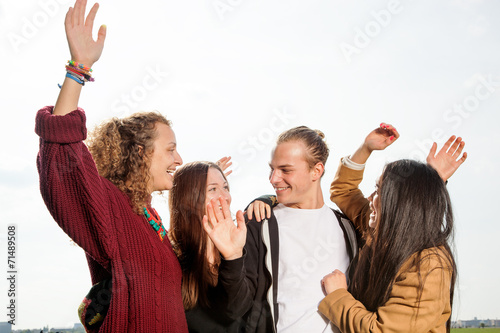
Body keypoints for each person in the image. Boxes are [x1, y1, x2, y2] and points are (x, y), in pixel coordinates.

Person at [35, 0, 188, 331]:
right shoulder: (110, 204)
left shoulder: (150, 217)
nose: (178, 159)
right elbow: (61, 153)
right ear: (140, 153)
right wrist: (78, 68)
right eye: (171, 149)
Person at [319, 123, 467, 333]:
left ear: (399, 203)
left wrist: (337, 296)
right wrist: (366, 148)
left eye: (379, 190)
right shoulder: (379, 230)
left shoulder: (430, 264)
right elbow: (343, 190)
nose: (371, 198)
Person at [237, 126, 359, 332]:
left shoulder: (347, 227)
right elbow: (237, 304)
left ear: (316, 171)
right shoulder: (260, 222)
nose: (273, 178)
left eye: (286, 170)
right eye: (272, 168)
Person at [168, 161, 255, 332]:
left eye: (225, 187)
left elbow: (237, 309)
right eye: (213, 189)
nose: (226, 197)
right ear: (189, 197)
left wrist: (233, 256)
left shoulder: (243, 244)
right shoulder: (170, 256)